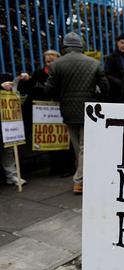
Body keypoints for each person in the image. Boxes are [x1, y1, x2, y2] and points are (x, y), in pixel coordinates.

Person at [44, 32, 109, 194]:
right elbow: (106, 88)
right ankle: (80, 181)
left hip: (67, 110)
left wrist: (61, 96)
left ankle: (80, 178)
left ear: (65, 47)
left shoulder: (56, 65)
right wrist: (95, 97)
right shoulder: (94, 63)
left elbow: (49, 90)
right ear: (81, 46)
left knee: (77, 147)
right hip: (89, 110)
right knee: (84, 148)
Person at [18, 49, 76, 177]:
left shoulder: (63, 72)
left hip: (61, 108)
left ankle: (69, 167)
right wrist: (27, 79)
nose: (49, 61)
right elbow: (31, 87)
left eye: (52, 59)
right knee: (50, 138)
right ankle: (54, 167)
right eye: (47, 60)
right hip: (45, 111)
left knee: (65, 138)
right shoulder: (39, 73)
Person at [0, 73, 27, 186]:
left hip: (5, 119)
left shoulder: (5, 76)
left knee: (8, 148)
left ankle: (11, 175)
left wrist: (24, 80)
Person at [104, 33, 124, 102]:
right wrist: (120, 83)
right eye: (122, 43)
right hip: (115, 93)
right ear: (117, 43)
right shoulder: (111, 58)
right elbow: (107, 74)